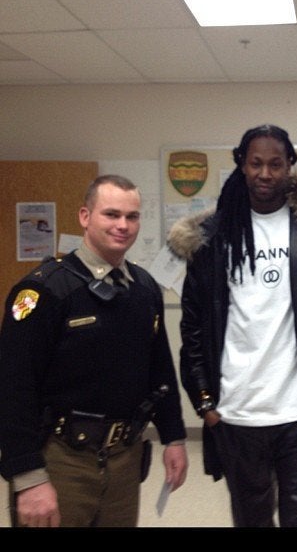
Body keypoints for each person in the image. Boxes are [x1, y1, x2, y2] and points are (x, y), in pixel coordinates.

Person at [167, 124, 297, 528]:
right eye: (255, 163)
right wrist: (205, 403)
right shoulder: (213, 236)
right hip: (237, 414)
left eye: (275, 164)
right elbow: (193, 328)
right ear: (241, 165)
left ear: (290, 164)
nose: (265, 173)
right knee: (251, 520)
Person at [0, 174, 188, 528]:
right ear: (85, 216)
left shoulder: (144, 288)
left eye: (132, 216)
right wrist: (27, 476)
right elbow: (13, 387)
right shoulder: (45, 291)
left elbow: (159, 369)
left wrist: (174, 436)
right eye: (111, 214)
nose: (123, 225)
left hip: (125, 459)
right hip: (60, 458)